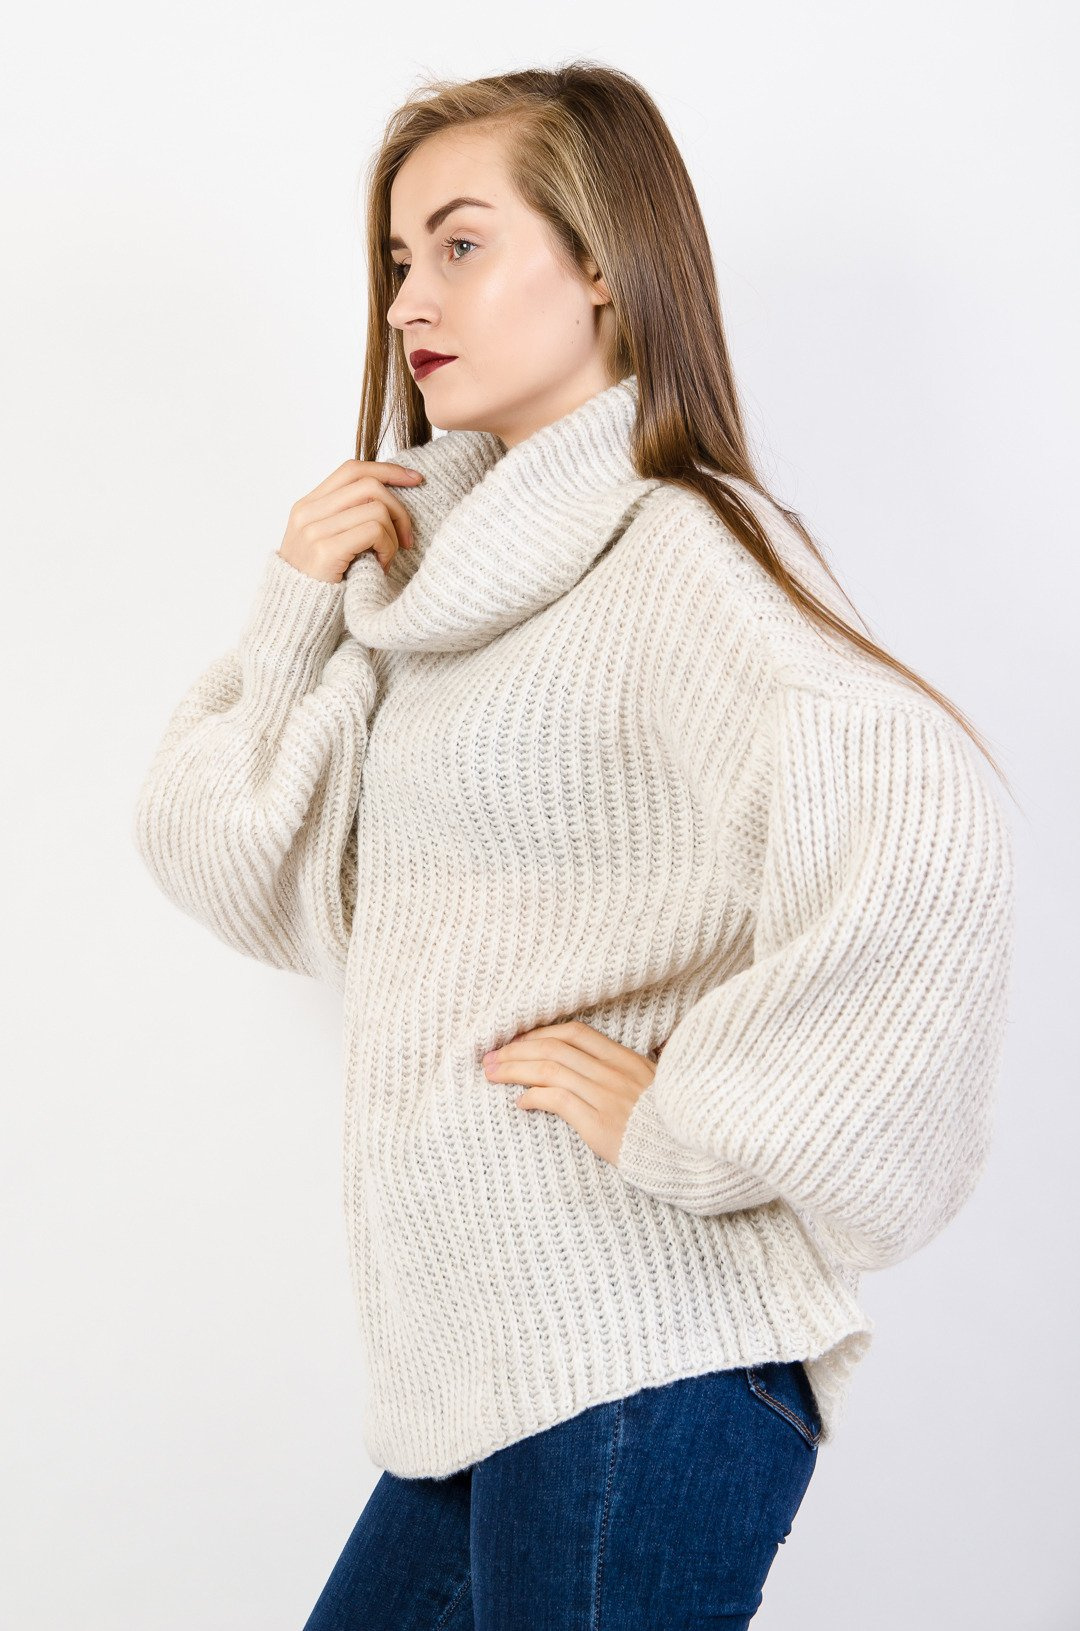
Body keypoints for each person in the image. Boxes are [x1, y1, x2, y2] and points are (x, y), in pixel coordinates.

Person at [131, 62, 1016, 1630]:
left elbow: (926, 825)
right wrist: (296, 602)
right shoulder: (438, 594)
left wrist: (690, 1116)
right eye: (399, 257)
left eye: (462, 244)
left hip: (642, 1348)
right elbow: (239, 864)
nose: (411, 299)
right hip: (485, 1371)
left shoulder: (681, 548)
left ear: (603, 265)